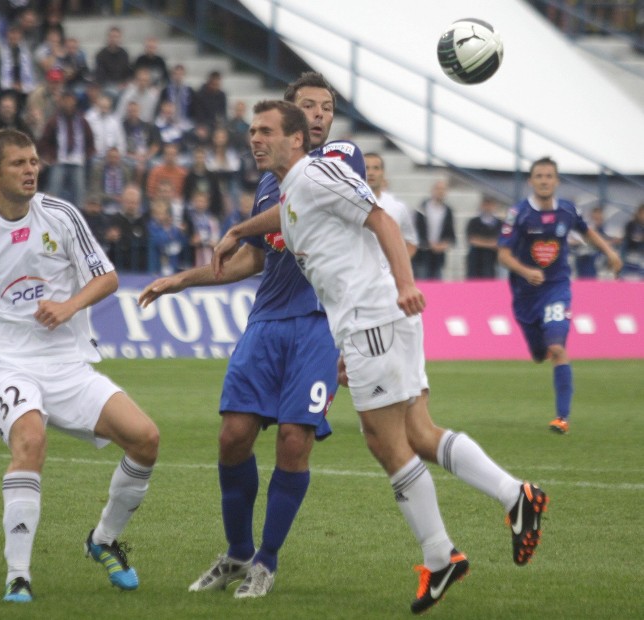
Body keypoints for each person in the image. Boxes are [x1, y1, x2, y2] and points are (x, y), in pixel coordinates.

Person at [221, 99, 552, 613]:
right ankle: (515, 497)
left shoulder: (318, 175)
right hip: (369, 321)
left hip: (375, 316)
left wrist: (404, 285)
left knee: (385, 441)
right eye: (252, 132)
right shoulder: (293, 192)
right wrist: (241, 229)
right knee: (418, 433)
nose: (255, 139)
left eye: (266, 131)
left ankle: (441, 556)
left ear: (295, 140)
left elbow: (382, 221)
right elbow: (288, 222)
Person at [138, 72, 364, 599]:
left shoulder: (342, 159)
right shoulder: (269, 184)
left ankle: (267, 559)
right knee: (233, 435)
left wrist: (240, 227)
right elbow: (252, 260)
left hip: (316, 325)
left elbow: (296, 209)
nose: (319, 115)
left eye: (326, 107)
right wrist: (184, 280)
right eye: (307, 106)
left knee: (293, 440)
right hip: (266, 322)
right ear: (288, 119)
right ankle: (238, 552)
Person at [0, 129, 159, 603]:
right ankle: (18, 575)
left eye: (34, 161)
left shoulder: (62, 215)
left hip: (67, 363)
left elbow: (107, 277)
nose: (31, 169)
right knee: (31, 440)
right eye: (18, 163)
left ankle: (103, 540)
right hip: (6, 362)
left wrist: (69, 306)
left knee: (146, 439)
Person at [498, 157, 622, 434]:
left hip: (556, 288)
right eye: (539, 176)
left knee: (557, 347)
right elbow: (503, 254)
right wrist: (525, 270)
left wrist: (611, 253)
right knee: (539, 354)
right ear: (531, 181)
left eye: (549, 176)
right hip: (525, 294)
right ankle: (541, 347)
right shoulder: (518, 213)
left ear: (556, 181)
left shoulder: (567, 211)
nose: (544, 181)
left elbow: (588, 232)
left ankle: (562, 418)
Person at [363, 152, 417, 257]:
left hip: (387, 272)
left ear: (383, 173)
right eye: (366, 168)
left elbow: (411, 242)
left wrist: (399, 265)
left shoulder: (398, 207)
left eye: (376, 168)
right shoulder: (346, 205)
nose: (371, 173)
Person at [412, 179, 456, 280]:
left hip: (438, 256)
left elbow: (451, 234)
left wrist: (444, 244)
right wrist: (429, 243)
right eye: (438, 189)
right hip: (423, 254)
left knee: (437, 282)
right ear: (432, 190)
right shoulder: (422, 208)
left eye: (443, 189)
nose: (440, 192)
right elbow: (416, 230)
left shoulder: (448, 211)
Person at [465, 195, 503, 279]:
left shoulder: (499, 223)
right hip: (474, 262)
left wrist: (481, 242)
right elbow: (472, 240)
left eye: (490, 204)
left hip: (491, 261)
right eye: (486, 204)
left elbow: (499, 243)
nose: (488, 207)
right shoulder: (473, 222)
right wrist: (490, 243)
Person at [620, 203, 644, 279]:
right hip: (630, 248)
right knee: (625, 242)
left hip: (640, 251)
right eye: (642, 213)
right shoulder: (631, 224)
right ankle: (621, 265)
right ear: (638, 213)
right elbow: (629, 235)